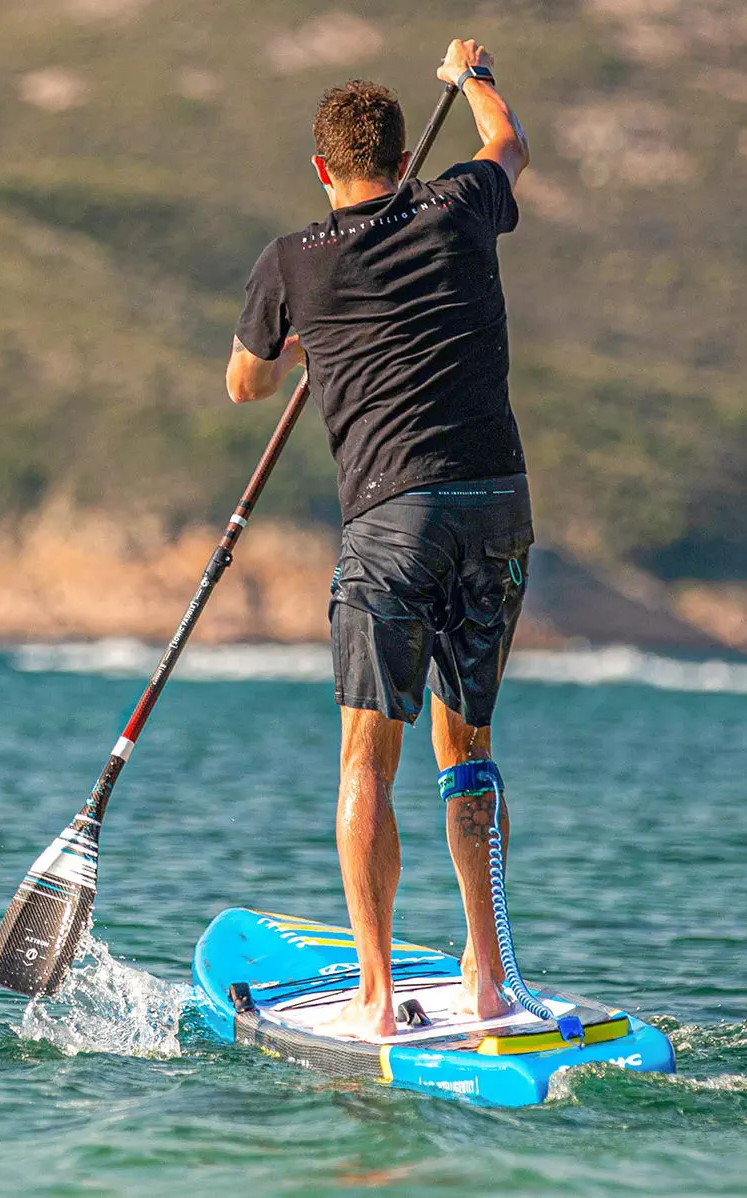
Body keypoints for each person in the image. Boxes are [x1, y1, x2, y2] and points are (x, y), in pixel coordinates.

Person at [225, 38, 531, 1041]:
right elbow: (507, 141)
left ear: (323, 170)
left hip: (390, 523)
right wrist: (471, 77)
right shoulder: (458, 204)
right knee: (467, 747)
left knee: (366, 757)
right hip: (495, 508)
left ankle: (371, 994)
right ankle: (488, 982)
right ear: (404, 161)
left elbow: (246, 383)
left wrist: (311, 335)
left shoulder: (292, 262)